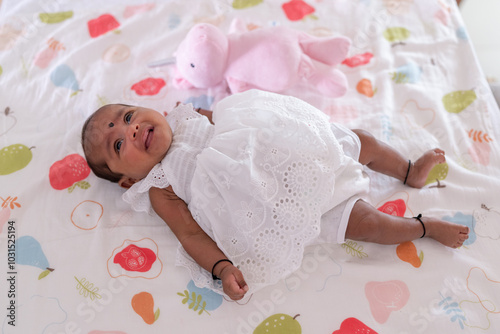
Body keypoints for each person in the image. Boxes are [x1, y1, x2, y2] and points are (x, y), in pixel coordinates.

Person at [81, 89, 469, 301]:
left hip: (298, 154)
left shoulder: (186, 115)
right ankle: (423, 228)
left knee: (359, 141)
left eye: (129, 116)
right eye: (117, 145)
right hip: (279, 204)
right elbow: (190, 234)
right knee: (366, 224)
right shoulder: (160, 187)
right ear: (127, 181)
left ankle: (407, 171)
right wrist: (221, 268)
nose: (129, 130)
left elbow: (247, 119)